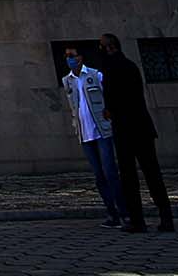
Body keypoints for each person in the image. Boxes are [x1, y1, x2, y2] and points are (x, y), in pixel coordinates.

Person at [97, 33, 173, 232]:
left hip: (126, 128)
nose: (101, 50)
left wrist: (110, 110)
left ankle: (138, 220)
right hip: (141, 127)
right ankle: (166, 218)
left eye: (102, 46)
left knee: (130, 176)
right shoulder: (130, 66)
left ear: (111, 48)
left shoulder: (112, 68)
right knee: (152, 173)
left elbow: (116, 98)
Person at [59, 49, 125, 228]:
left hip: (101, 130)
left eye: (72, 56)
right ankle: (112, 213)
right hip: (85, 133)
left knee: (110, 172)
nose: (69, 59)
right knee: (99, 175)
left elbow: (108, 98)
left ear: (80, 57)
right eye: (66, 57)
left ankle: (124, 212)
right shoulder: (68, 80)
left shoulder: (96, 75)